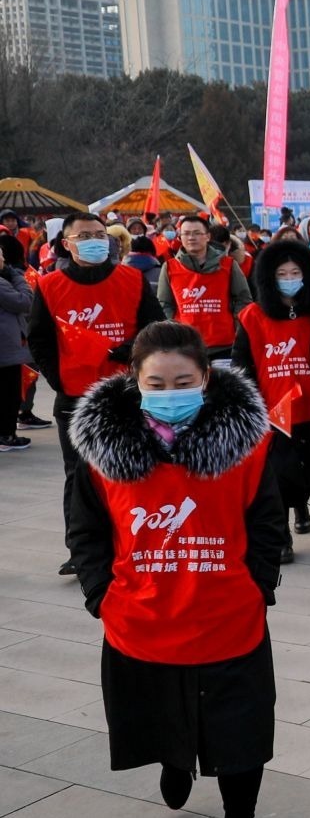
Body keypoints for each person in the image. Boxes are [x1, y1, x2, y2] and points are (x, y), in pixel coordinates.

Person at [66, 321, 285, 818]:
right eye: (156, 383)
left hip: (228, 618)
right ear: (134, 382)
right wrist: (99, 593)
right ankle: (173, 757)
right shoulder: (100, 450)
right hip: (141, 619)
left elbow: (266, 522)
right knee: (162, 715)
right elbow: (86, 528)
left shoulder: (249, 444)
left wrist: (257, 586)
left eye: (183, 380)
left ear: (206, 378)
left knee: (240, 735)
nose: (169, 393)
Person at [26, 211, 166, 573]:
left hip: (126, 393)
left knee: (131, 468)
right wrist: (58, 378)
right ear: (67, 244)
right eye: (85, 235)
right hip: (74, 396)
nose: (94, 240)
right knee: (78, 474)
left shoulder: (132, 279)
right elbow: (39, 338)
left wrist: (132, 349)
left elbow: (155, 327)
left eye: (100, 234)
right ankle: (80, 549)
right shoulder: (49, 285)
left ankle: (132, 539)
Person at [233, 238, 310, 550]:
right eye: (282, 275)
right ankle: (283, 531)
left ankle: (302, 504)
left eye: (295, 273)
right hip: (273, 411)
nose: (289, 280)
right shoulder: (252, 317)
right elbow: (242, 363)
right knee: (278, 473)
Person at [156, 213, 251, 360]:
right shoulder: (169, 267)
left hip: (224, 345)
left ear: (207, 236)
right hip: (185, 346)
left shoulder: (228, 265)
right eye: (186, 233)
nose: (191, 238)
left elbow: (243, 299)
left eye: (197, 233)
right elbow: (164, 304)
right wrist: (172, 330)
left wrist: (237, 326)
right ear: (180, 237)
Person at [0, 233, 31, 450]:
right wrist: (15, 274)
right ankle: (6, 435)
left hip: (6, 345)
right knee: (8, 394)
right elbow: (25, 300)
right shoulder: (2, 283)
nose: (3, 259)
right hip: (6, 348)